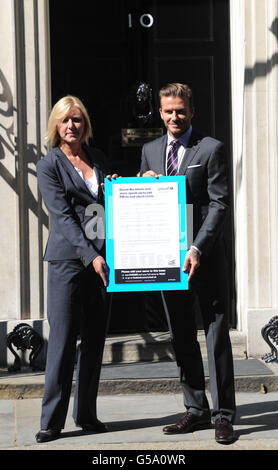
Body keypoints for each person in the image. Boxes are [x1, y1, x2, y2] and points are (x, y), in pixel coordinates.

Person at [140, 83, 236, 443]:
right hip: (167, 261)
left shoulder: (210, 149)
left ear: (192, 111)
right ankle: (196, 409)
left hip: (204, 258)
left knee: (216, 337)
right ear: (160, 113)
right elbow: (145, 206)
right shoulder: (149, 151)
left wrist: (197, 248)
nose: (174, 117)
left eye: (181, 110)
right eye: (168, 111)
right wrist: (140, 183)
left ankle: (224, 415)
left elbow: (219, 204)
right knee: (181, 335)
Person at [35, 95, 116, 443]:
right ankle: (51, 421)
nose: (72, 125)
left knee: (95, 340)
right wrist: (90, 255)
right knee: (64, 340)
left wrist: (116, 186)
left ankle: (87, 415)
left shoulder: (97, 159)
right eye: (66, 120)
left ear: (86, 124)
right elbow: (64, 217)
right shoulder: (48, 165)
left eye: (78, 119)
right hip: (68, 260)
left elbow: (107, 206)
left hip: (101, 259)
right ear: (56, 125)